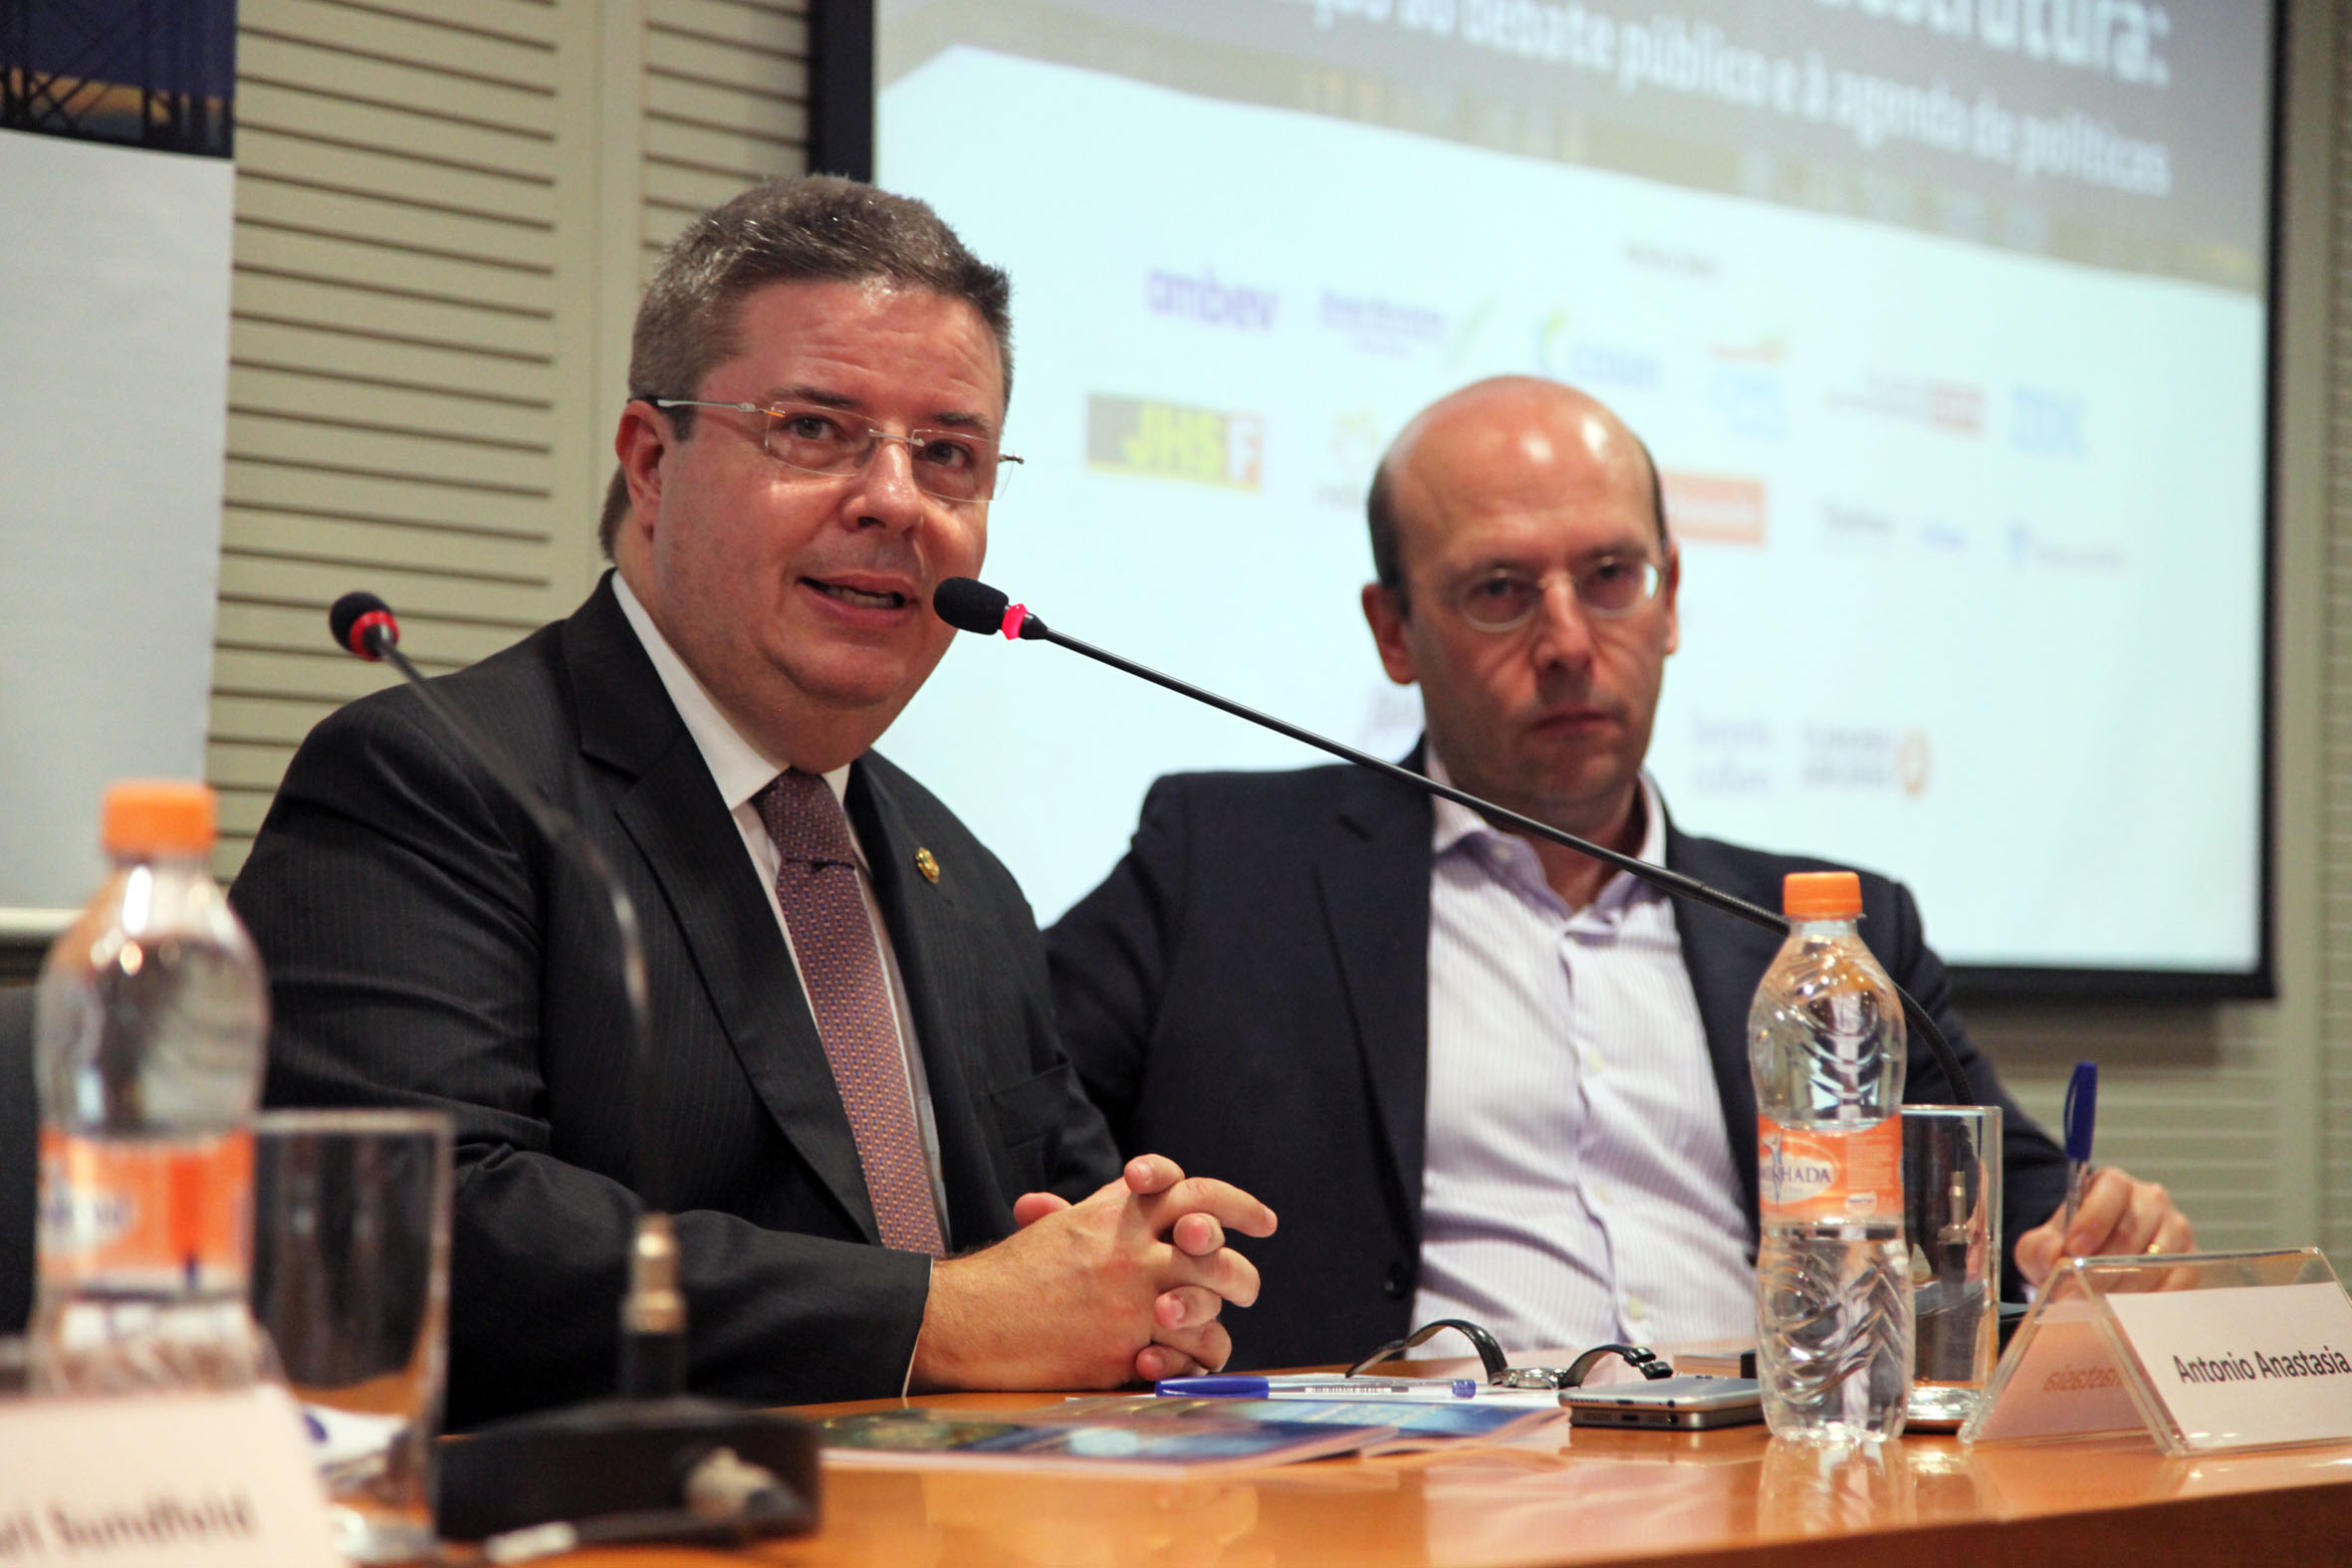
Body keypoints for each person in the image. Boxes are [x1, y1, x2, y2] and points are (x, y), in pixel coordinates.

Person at [232, 176, 1273, 1427]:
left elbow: (1067, 1252)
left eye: (948, 455)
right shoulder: (432, 780)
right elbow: (415, 1227)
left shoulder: (965, 881)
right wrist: (939, 1318)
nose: (896, 499)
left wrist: (1151, 1281)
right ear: (651, 462)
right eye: (815, 429)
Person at [1048, 375, 2189, 1371]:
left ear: (1671, 595)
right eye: (1500, 590)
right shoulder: (1223, 867)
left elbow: (2017, 1214)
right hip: (1398, 1494)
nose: (1567, 643)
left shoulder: (1827, 937)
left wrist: (2100, 1236)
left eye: (1609, 576)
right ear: (1393, 630)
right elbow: (1009, 1123)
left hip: (1776, 1482)